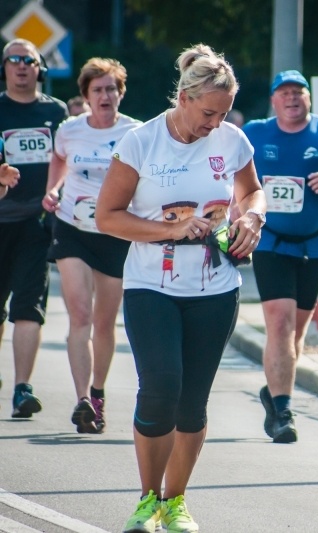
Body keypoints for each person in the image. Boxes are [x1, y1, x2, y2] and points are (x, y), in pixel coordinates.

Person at [95, 44, 266, 533]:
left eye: (224, 113)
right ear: (186, 98)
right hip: (153, 282)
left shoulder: (231, 139)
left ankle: (176, 501)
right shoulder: (141, 142)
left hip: (216, 284)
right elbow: (107, 217)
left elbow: (252, 191)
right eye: (209, 112)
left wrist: (252, 216)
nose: (215, 123)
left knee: (192, 401)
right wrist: (170, 229)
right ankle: (147, 499)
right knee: (160, 388)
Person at [242, 69, 318, 443]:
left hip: (313, 243)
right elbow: (229, 173)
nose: (292, 98)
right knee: (280, 324)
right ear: (273, 100)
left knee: (297, 333)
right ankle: (283, 412)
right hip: (270, 242)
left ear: (309, 98)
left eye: (299, 92)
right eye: (284, 93)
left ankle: (274, 393)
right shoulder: (255, 133)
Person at [42, 58, 140, 433]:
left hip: (115, 232)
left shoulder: (135, 132)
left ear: (120, 93)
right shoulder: (70, 130)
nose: (105, 95)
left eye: (111, 88)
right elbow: (59, 161)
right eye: (97, 89)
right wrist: (53, 190)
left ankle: (98, 393)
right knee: (80, 314)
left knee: (104, 321)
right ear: (85, 96)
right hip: (73, 227)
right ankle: (82, 398)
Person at [0, 38, 69, 418]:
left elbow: (67, 161)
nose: (21, 66)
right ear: (5, 68)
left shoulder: (55, 112)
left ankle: (22, 389)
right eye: (14, 60)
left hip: (35, 224)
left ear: (40, 67)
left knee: (28, 308)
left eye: (28, 60)